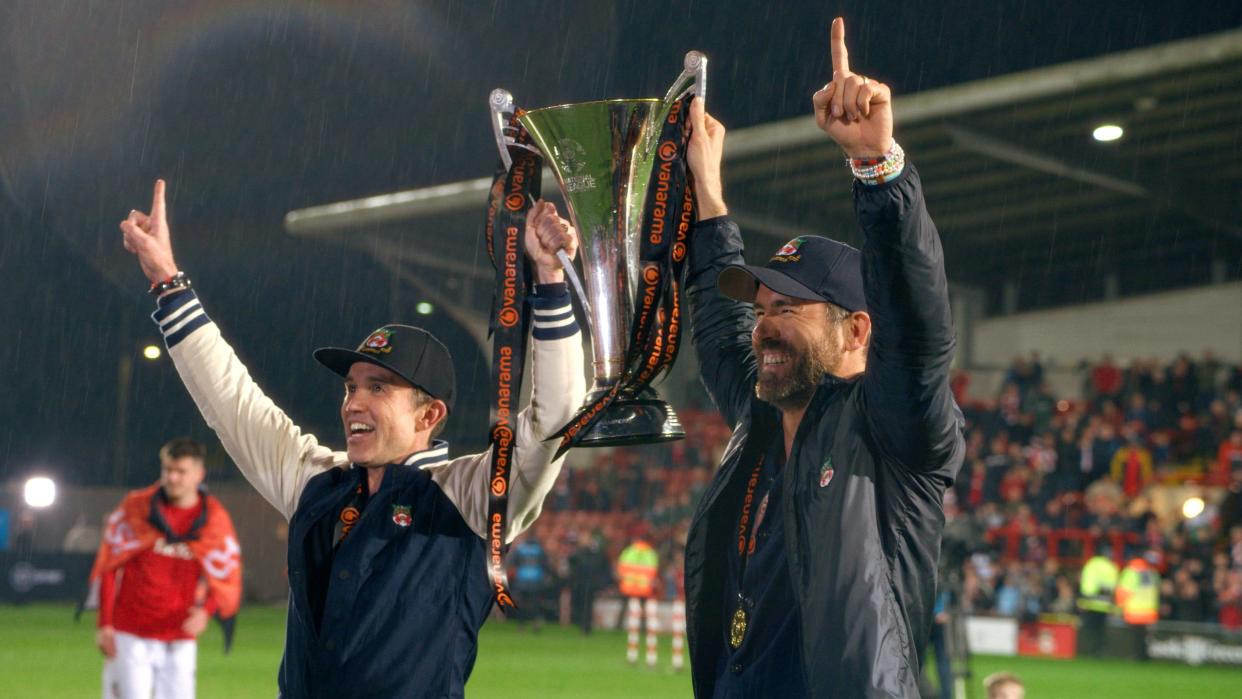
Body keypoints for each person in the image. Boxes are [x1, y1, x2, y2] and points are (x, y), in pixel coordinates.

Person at [118, 181, 585, 698]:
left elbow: (554, 422)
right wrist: (167, 281)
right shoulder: (318, 482)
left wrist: (550, 283)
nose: (353, 403)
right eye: (351, 386)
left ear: (429, 413)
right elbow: (232, 403)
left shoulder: (469, 495)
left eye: (378, 388)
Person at [682, 18, 964, 697]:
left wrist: (878, 169)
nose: (765, 328)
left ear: (858, 331)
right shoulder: (758, 418)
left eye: (790, 309)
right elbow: (721, 328)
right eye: (764, 308)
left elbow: (918, 325)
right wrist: (707, 189)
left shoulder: (893, 432)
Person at [89, 438, 242, 699]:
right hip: (130, 633)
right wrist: (105, 624)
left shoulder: (213, 518)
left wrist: (206, 612)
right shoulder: (137, 507)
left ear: (198, 474)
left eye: (180, 471)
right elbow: (109, 566)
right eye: (167, 470)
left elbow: (227, 573)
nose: (172, 478)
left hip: (179, 635)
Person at [617, 533, 660, 666]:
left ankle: (631, 653)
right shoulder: (650, 554)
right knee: (647, 618)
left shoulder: (629, 551)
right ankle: (645, 636)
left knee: (629, 616)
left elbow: (621, 570)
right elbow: (654, 573)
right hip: (645, 590)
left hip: (629, 589)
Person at [1115, 552, 1161, 660]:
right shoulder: (1152, 572)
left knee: (1135, 637)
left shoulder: (1131, 572)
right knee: (1145, 637)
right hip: (1149, 612)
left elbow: (1124, 592)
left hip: (1134, 611)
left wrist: (1119, 607)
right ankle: (1144, 656)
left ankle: (1136, 656)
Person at [1076, 548, 1118, 657]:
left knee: (1090, 629)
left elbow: (1087, 587)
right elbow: (1114, 588)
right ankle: (1101, 652)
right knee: (1102, 630)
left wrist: (1083, 602)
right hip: (1105, 605)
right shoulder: (1111, 567)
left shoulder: (1091, 565)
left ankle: (1088, 651)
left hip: (1091, 604)